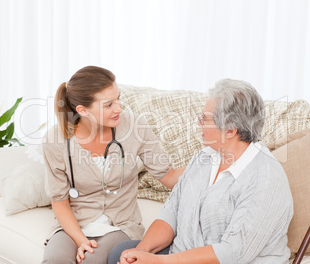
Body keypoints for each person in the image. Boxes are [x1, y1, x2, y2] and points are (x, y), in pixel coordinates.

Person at [109, 78, 294, 264]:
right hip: (183, 256)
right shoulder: (204, 158)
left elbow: (232, 253)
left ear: (230, 130)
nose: (199, 123)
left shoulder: (265, 178)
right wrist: (140, 252)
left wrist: (160, 262)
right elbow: (171, 214)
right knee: (122, 252)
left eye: (205, 119)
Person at [41, 66, 184, 264]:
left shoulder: (134, 127)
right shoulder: (55, 139)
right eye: (108, 105)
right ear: (82, 110)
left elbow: (169, 176)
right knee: (56, 260)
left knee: (92, 260)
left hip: (121, 225)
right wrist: (81, 240)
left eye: (119, 98)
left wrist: (212, 162)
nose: (119, 108)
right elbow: (59, 201)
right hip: (75, 224)